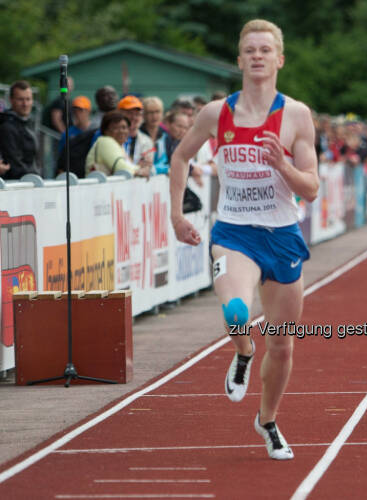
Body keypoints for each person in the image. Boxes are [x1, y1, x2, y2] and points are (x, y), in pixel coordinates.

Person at [169, 19, 319, 460]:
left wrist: (283, 166)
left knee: (284, 346)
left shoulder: (296, 115)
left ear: (279, 59)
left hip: (283, 235)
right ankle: (242, 349)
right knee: (236, 309)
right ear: (239, 60)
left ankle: (267, 421)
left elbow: (310, 188)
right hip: (234, 230)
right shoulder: (217, 113)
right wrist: (177, 215)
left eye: (265, 50)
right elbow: (180, 158)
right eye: (249, 50)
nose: (257, 56)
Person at [85, 110, 150, 178]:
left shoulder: (119, 146)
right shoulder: (105, 141)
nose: (121, 131)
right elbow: (121, 167)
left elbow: (128, 166)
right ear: (105, 131)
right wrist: (140, 170)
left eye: (124, 127)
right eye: (115, 128)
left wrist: (140, 167)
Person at [0, 80, 39, 180]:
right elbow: (15, 166)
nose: (25, 104)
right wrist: (36, 178)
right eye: (20, 99)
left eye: (28, 99)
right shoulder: (7, 127)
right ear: (11, 100)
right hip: (16, 186)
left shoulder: (29, 124)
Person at [117, 96, 155, 171]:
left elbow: (147, 166)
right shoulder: (111, 137)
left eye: (137, 114)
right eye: (129, 113)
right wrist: (137, 166)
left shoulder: (147, 141)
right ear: (119, 114)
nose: (134, 117)